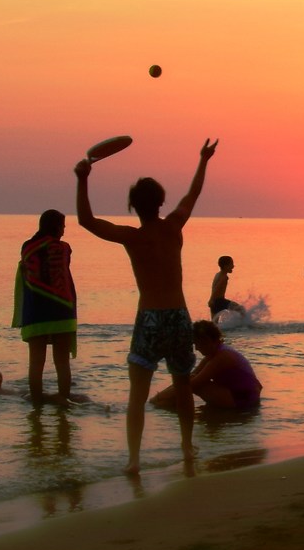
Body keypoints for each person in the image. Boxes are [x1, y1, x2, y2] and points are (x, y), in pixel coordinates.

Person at [78, 138, 216, 473]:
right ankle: (186, 449)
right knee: (183, 386)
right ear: (160, 203)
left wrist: (82, 179)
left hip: (150, 319)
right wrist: (203, 159)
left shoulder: (133, 237)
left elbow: (87, 221)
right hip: (179, 317)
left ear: (133, 207)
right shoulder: (174, 227)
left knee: (138, 392)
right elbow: (193, 194)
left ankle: (134, 460)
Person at [13, 209, 77, 400]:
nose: (64, 231)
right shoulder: (64, 249)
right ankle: (64, 405)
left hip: (36, 312)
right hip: (62, 311)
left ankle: (36, 407)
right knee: (62, 363)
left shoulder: (27, 247)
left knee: (36, 364)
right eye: (63, 226)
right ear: (56, 226)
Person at [150, 320, 263, 414]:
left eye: (198, 344)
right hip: (239, 396)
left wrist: (157, 398)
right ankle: (164, 406)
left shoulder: (222, 357)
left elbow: (193, 384)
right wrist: (161, 396)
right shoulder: (214, 353)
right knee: (184, 385)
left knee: (195, 386)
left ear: (208, 341)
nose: (197, 348)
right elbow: (188, 377)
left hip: (244, 400)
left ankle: (160, 406)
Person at [207, 255, 244, 322]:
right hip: (220, 301)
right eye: (231, 264)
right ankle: (243, 325)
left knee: (214, 324)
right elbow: (216, 288)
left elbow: (214, 288)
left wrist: (212, 301)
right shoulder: (224, 277)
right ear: (225, 266)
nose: (233, 266)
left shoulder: (218, 274)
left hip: (215, 302)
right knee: (241, 310)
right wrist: (210, 300)